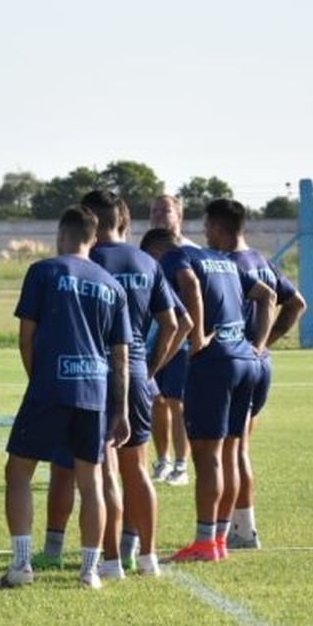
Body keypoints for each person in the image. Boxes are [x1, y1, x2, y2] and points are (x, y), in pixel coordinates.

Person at [36, 191, 184, 579]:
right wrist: (149, 368)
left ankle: (108, 559)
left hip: (94, 374)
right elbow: (174, 324)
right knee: (137, 469)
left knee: (99, 472)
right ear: (124, 221)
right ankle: (146, 556)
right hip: (135, 373)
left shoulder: (87, 261)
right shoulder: (146, 262)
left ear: (90, 224)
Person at [0, 206, 129, 591]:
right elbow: (120, 354)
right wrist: (121, 409)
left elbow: (25, 336)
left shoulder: (44, 271)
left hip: (50, 387)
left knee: (18, 472)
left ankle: (20, 566)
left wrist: (40, 380)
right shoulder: (110, 284)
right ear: (95, 238)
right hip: (95, 391)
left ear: (61, 235)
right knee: (92, 482)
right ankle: (89, 571)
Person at [159, 198, 278, 563]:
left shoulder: (178, 257)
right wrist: (257, 344)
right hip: (245, 361)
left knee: (208, 456)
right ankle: (221, 539)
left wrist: (195, 339)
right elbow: (268, 295)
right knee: (230, 452)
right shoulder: (226, 260)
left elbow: (190, 286)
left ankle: (204, 543)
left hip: (214, 364)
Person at [222, 204, 305, 550]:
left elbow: (287, 302)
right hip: (260, 364)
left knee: (233, 448)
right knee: (240, 446)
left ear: (218, 228)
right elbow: (296, 303)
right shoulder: (261, 259)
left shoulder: (233, 265)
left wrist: (255, 343)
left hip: (240, 361)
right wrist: (266, 343)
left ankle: (243, 530)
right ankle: (237, 526)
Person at [149, 194, 196, 485]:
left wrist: (197, 335)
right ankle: (162, 460)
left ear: (179, 215)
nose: (158, 215)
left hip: (183, 340)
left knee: (178, 403)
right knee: (156, 400)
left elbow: (198, 297)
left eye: (165, 210)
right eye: (154, 211)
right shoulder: (147, 250)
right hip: (154, 338)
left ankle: (181, 465)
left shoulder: (191, 251)